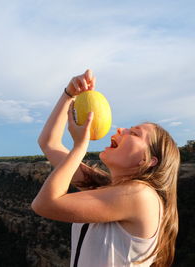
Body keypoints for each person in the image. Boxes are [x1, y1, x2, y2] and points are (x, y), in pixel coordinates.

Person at [31, 69, 179, 267]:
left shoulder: (141, 195)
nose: (120, 129)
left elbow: (44, 205)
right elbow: (49, 143)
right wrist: (69, 94)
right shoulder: (108, 190)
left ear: (148, 160)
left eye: (134, 133)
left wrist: (80, 147)